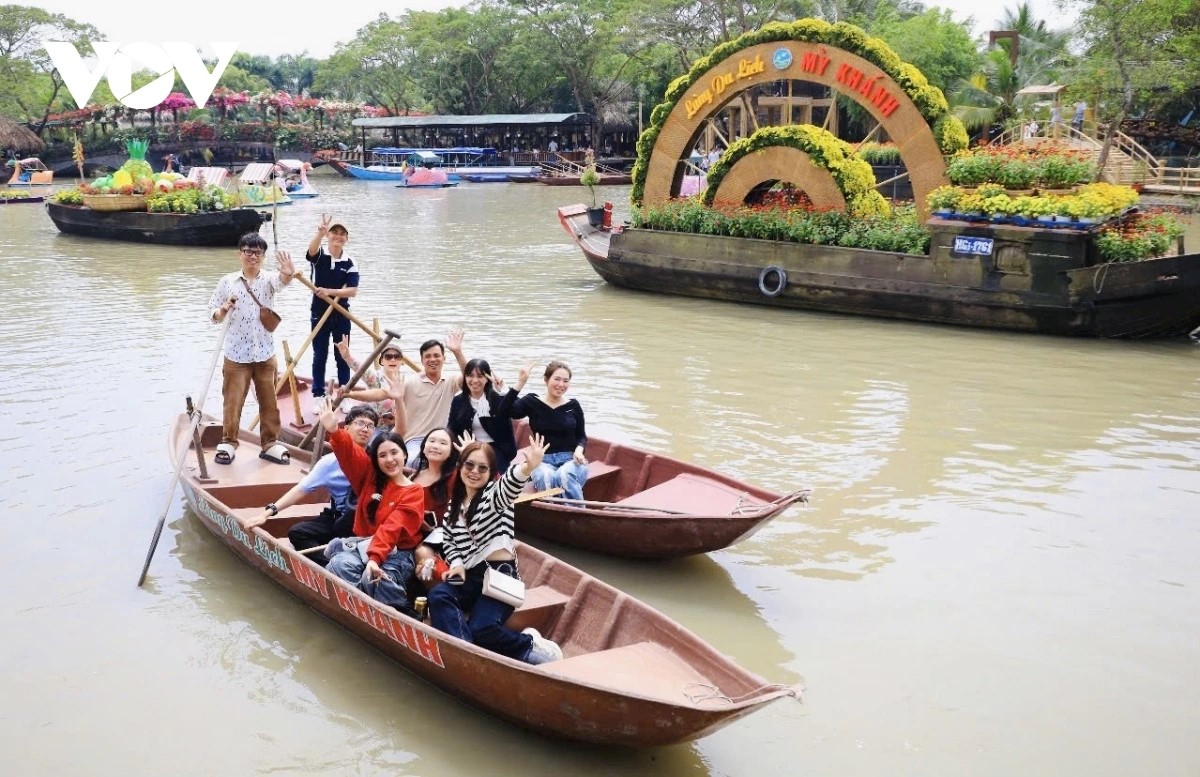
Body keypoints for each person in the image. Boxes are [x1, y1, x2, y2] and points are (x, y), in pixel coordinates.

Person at [427, 435, 562, 665]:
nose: (474, 472)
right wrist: (457, 563)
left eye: (483, 468)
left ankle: (529, 643)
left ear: (491, 473)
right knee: (438, 595)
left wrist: (528, 467)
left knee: (483, 627)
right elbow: (448, 541)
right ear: (460, 466)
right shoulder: (454, 506)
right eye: (469, 465)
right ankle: (464, 649)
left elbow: (509, 484)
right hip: (470, 575)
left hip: (499, 573)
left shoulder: (494, 497)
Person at [316, 397, 426, 614]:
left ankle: (391, 609)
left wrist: (374, 559)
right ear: (376, 460)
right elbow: (349, 454)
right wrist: (335, 431)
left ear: (405, 454)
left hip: (396, 554)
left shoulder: (414, 491)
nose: (390, 460)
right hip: (363, 547)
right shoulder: (369, 477)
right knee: (339, 565)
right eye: (382, 455)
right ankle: (367, 609)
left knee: (376, 578)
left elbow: (392, 528)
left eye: (394, 453)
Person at [244, 406, 379, 562]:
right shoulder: (329, 463)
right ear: (346, 428)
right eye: (360, 423)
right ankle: (330, 566)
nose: (365, 429)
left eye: (370, 426)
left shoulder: (378, 457)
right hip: (344, 519)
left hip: (370, 520)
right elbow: (301, 489)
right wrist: (267, 513)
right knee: (298, 533)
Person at [208, 233, 295, 465]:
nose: (252, 256)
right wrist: (222, 310)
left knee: (269, 402)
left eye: (257, 252)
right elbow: (213, 313)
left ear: (263, 257)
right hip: (236, 355)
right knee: (233, 401)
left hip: (265, 354)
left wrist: (288, 273)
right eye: (248, 251)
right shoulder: (228, 281)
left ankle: (270, 444)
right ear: (240, 254)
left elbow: (282, 282)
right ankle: (228, 441)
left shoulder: (268, 280)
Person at [509, 361, 589, 502]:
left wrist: (579, 450)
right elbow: (507, 411)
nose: (561, 384)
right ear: (546, 380)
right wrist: (520, 383)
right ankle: (552, 511)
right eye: (557, 379)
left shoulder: (573, 405)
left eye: (565, 381)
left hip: (571, 459)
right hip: (542, 459)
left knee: (564, 474)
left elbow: (581, 436)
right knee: (546, 476)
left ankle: (576, 513)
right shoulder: (532, 402)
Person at [305, 215, 360, 399]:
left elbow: (352, 291)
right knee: (319, 355)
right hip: (319, 313)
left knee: (343, 356)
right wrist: (319, 233)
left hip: (341, 314)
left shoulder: (350, 262)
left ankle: (344, 394)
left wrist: (329, 291)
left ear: (346, 238)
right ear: (328, 235)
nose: (338, 236)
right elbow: (311, 252)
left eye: (342, 234)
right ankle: (318, 394)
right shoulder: (320, 255)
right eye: (334, 232)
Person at [448, 358, 529, 475]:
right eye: (470, 376)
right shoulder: (459, 400)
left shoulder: (497, 397)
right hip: (469, 446)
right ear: (465, 377)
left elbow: (518, 412)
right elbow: (452, 429)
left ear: (487, 378)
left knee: (488, 473)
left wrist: (504, 391)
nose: (475, 380)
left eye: (480, 376)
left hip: (497, 449)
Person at [409, 427, 458, 590]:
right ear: (423, 447)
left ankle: (443, 596)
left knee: (423, 554)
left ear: (451, 451)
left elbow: (487, 481)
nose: (436, 446)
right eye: (431, 441)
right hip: (416, 535)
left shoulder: (457, 477)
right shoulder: (412, 478)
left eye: (443, 443)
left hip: (448, 537)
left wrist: (467, 455)